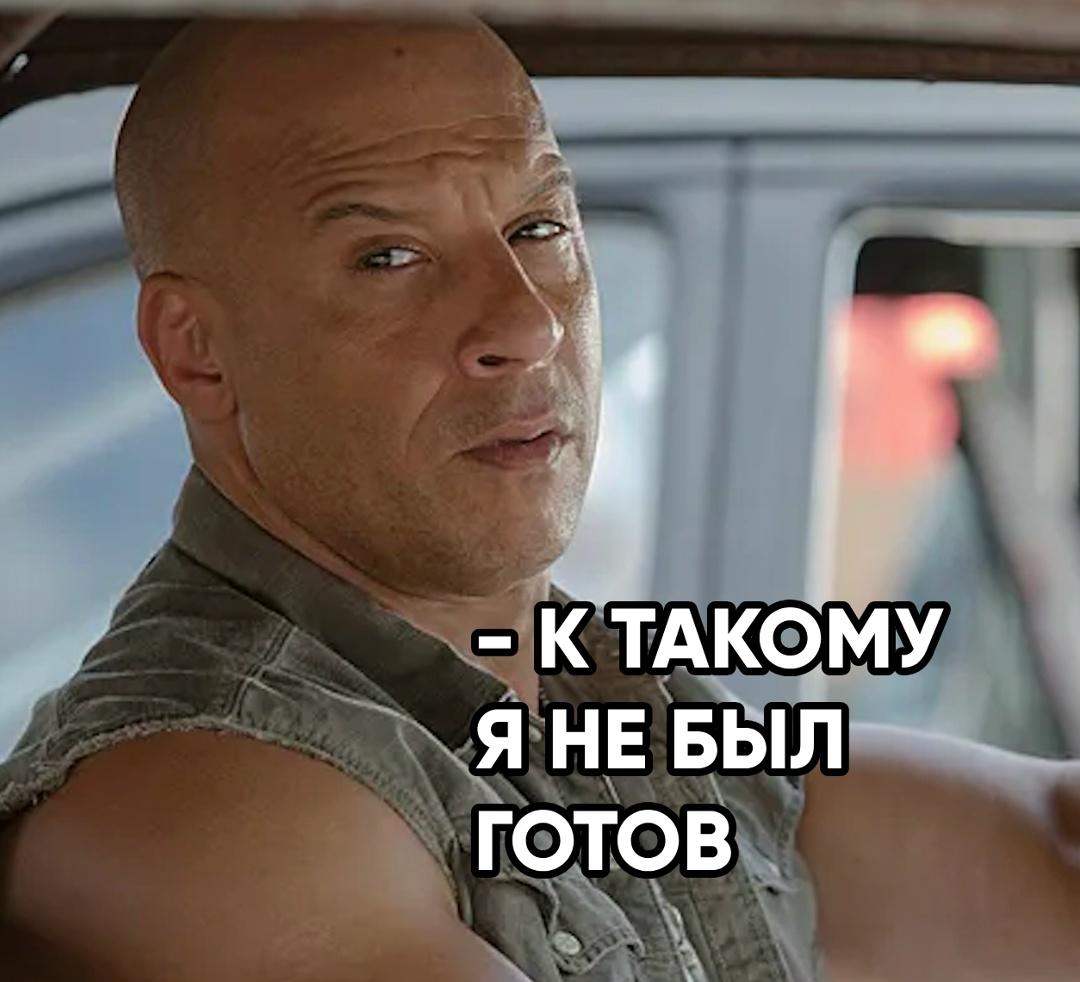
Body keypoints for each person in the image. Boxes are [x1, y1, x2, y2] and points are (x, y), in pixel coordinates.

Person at [0, 16, 1077, 982]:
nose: (525, 324)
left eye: (538, 229)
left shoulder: (600, 714)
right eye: (389, 257)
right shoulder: (213, 803)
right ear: (197, 350)